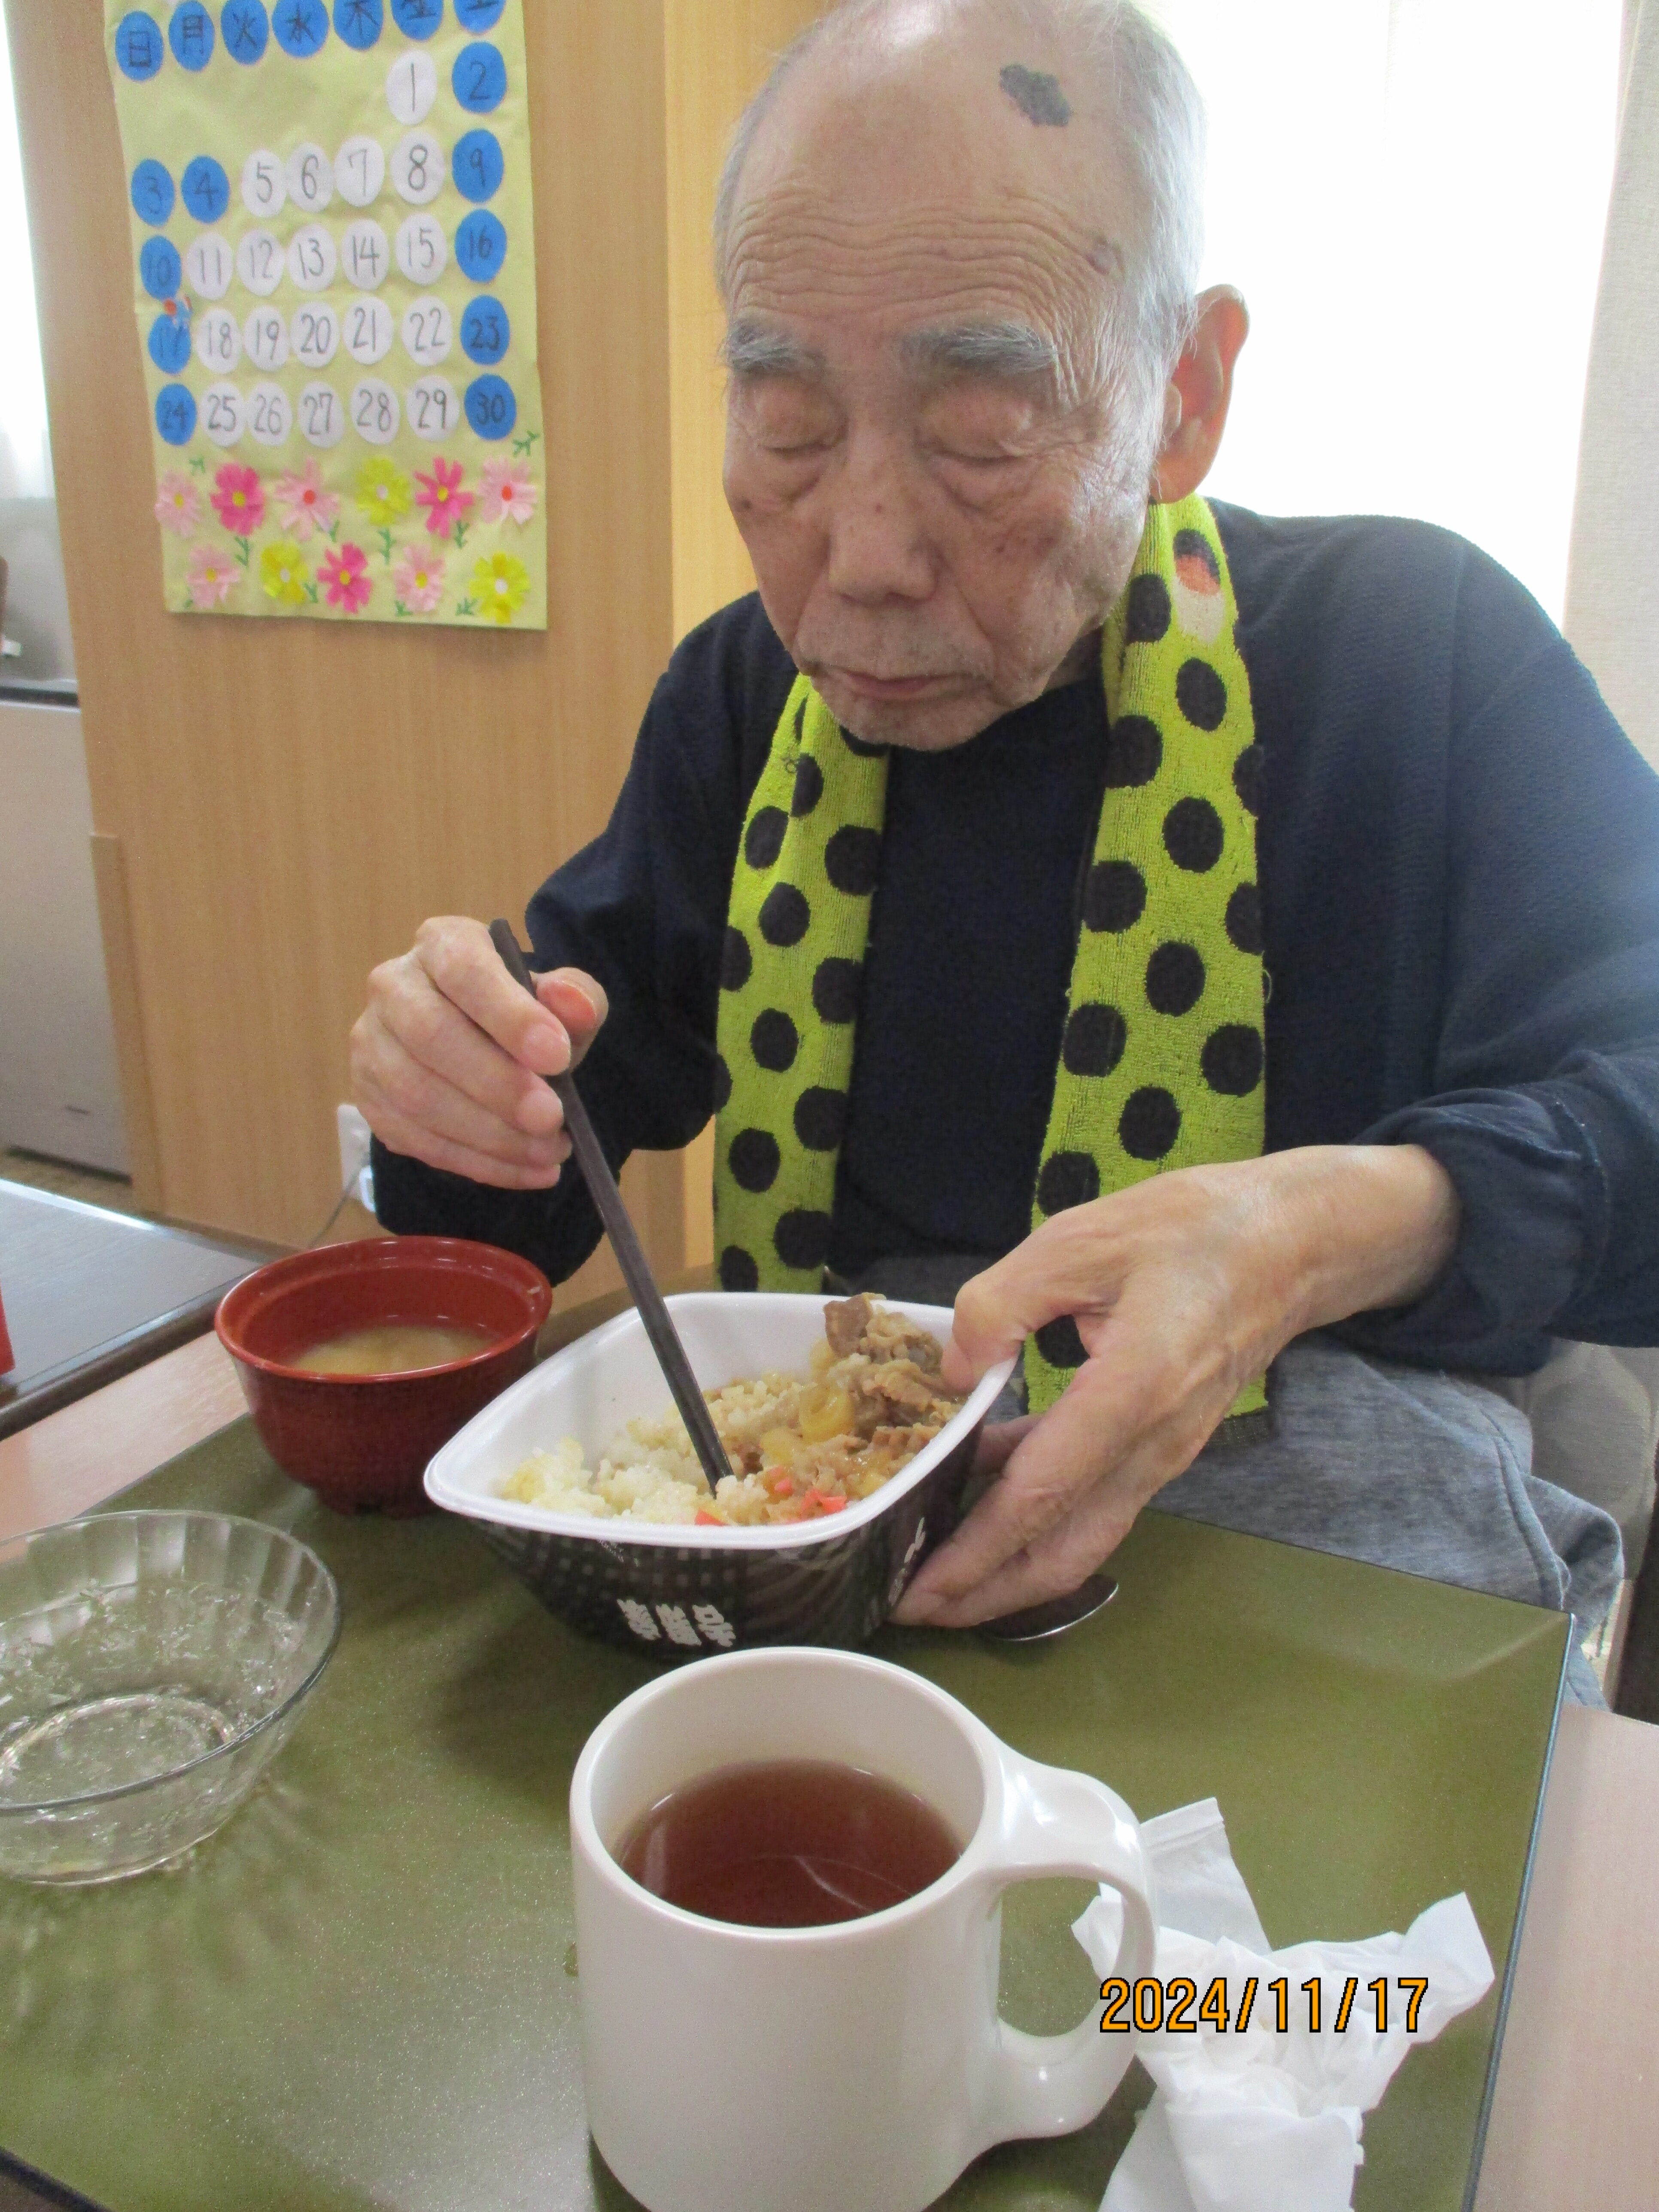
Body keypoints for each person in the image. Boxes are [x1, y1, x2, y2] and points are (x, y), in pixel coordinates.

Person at [353, 0, 1655, 1688]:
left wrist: (1318, 1236)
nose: (867, 552)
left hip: (1327, 1614)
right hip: (835, 1580)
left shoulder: (1418, 653)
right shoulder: (742, 704)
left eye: (979, 431)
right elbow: (523, 1185)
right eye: (791, 428)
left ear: (1180, 396)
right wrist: (454, 1095)